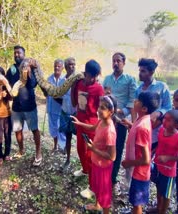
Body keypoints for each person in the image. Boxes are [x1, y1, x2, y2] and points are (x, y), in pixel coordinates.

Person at [72, 95, 117, 214]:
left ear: (111, 111)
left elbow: (112, 157)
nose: (98, 110)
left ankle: (105, 210)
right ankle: (97, 205)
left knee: (105, 194)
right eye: (99, 107)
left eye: (102, 108)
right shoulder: (102, 121)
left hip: (104, 167)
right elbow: (92, 128)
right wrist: (80, 123)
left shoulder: (110, 131)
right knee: (97, 187)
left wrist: (93, 149)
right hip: (96, 162)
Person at [102, 52, 137, 194]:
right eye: (113, 61)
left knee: (116, 150)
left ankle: (112, 178)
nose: (115, 63)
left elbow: (132, 102)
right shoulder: (107, 79)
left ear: (124, 62)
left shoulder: (130, 80)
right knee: (105, 148)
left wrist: (119, 113)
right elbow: (102, 97)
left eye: (118, 61)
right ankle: (103, 174)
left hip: (120, 122)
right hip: (106, 121)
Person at [121, 91, 160, 214]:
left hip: (140, 173)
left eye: (137, 100)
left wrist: (128, 163)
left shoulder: (142, 127)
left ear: (144, 108)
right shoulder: (143, 119)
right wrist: (130, 125)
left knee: (137, 203)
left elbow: (146, 159)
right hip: (138, 172)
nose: (134, 101)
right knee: (134, 200)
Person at [71, 59, 104, 198]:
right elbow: (74, 102)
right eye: (92, 76)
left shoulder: (98, 88)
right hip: (79, 123)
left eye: (96, 76)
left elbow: (103, 109)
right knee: (80, 150)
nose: (94, 79)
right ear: (86, 73)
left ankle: (92, 187)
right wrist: (73, 86)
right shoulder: (78, 83)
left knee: (91, 156)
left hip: (91, 127)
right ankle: (85, 170)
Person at [5, 45, 42, 166]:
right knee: (17, 130)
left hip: (30, 106)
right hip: (16, 107)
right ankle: (21, 150)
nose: (16, 55)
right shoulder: (11, 69)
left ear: (24, 54)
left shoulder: (32, 67)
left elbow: (33, 85)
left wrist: (28, 73)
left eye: (19, 53)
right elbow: (8, 85)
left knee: (34, 129)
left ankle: (38, 152)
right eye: (15, 53)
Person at [153, 109, 178, 214]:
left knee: (166, 194)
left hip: (169, 172)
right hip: (158, 165)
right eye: (164, 118)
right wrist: (151, 152)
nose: (164, 121)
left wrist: (168, 158)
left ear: (177, 125)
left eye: (169, 120)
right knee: (158, 187)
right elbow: (160, 145)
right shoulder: (161, 130)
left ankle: (163, 211)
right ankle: (158, 208)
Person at [133, 58, 172, 154]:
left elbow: (168, 107)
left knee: (151, 158)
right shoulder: (138, 90)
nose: (140, 73)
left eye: (143, 71)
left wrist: (157, 113)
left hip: (157, 130)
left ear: (151, 72)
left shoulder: (162, 87)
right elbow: (135, 109)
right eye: (139, 70)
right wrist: (134, 125)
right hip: (142, 129)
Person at [59, 57, 77, 172]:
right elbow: (59, 96)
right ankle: (68, 159)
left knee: (81, 137)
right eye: (70, 65)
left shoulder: (78, 80)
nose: (72, 66)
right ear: (65, 67)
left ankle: (83, 161)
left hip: (76, 113)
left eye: (74, 64)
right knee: (68, 137)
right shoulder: (62, 81)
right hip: (65, 113)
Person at [46, 59, 66, 152]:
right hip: (51, 108)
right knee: (53, 128)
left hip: (60, 109)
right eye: (55, 66)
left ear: (62, 68)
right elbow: (46, 93)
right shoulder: (49, 79)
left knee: (61, 129)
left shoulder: (65, 80)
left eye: (59, 66)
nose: (56, 68)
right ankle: (55, 146)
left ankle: (64, 147)